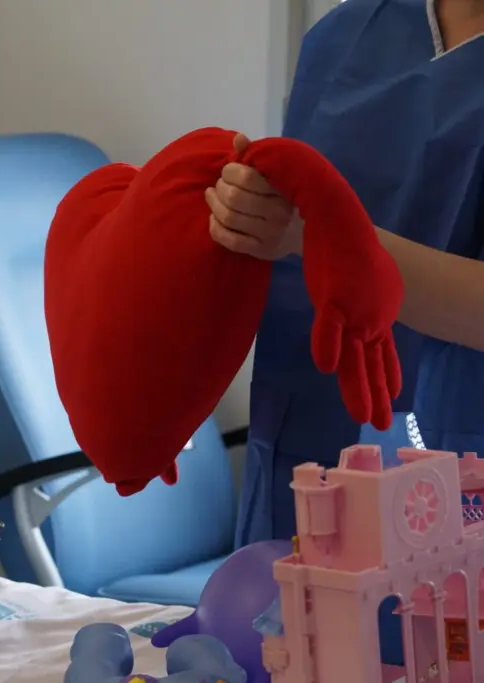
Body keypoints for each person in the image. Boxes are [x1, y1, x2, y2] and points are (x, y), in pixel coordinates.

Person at [205, 0, 484, 664]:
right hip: (311, 449)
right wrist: (245, 212)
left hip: (464, 472)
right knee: (301, 648)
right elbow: (289, 238)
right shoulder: (346, 37)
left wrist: (326, 236)